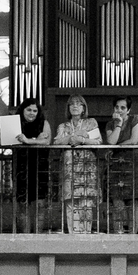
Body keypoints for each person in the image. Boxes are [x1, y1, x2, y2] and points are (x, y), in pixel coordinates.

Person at [55, 93, 103, 234]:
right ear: (68, 107)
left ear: (83, 108)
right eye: (72, 103)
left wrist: (81, 140)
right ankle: (73, 235)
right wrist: (72, 137)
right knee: (71, 203)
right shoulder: (63, 126)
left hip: (87, 168)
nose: (75, 106)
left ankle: (86, 235)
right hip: (70, 169)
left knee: (86, 203)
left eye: (78, 103)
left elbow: (98, 141)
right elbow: (57, 141)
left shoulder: (91, 122)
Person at [103, 96, 138, 233]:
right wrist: (119, 124)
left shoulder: (135, 119)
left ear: (129, 110)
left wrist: (116, 147)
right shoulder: (110, 124)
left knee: (133, 202)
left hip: (134, 164)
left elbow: (133, 140)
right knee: (117, 203)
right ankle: (118, 234)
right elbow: (111, 141)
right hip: (116, 166)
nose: (119, 110)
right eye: (117, 107)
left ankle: (133, 236)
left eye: (123, 108)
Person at [11, 97, 50, 232]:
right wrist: (36, 140)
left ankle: (38, 238)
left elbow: (46, 142)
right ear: (22, 110)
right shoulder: (15, 124)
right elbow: (6, 139)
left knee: (40, 204)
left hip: (40, 167)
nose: (32, 113)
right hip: (21, 168)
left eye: (35, 110)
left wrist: (27, 141)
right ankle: (25, 238)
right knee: (22, 205)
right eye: (29, 110)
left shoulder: (44, 123)